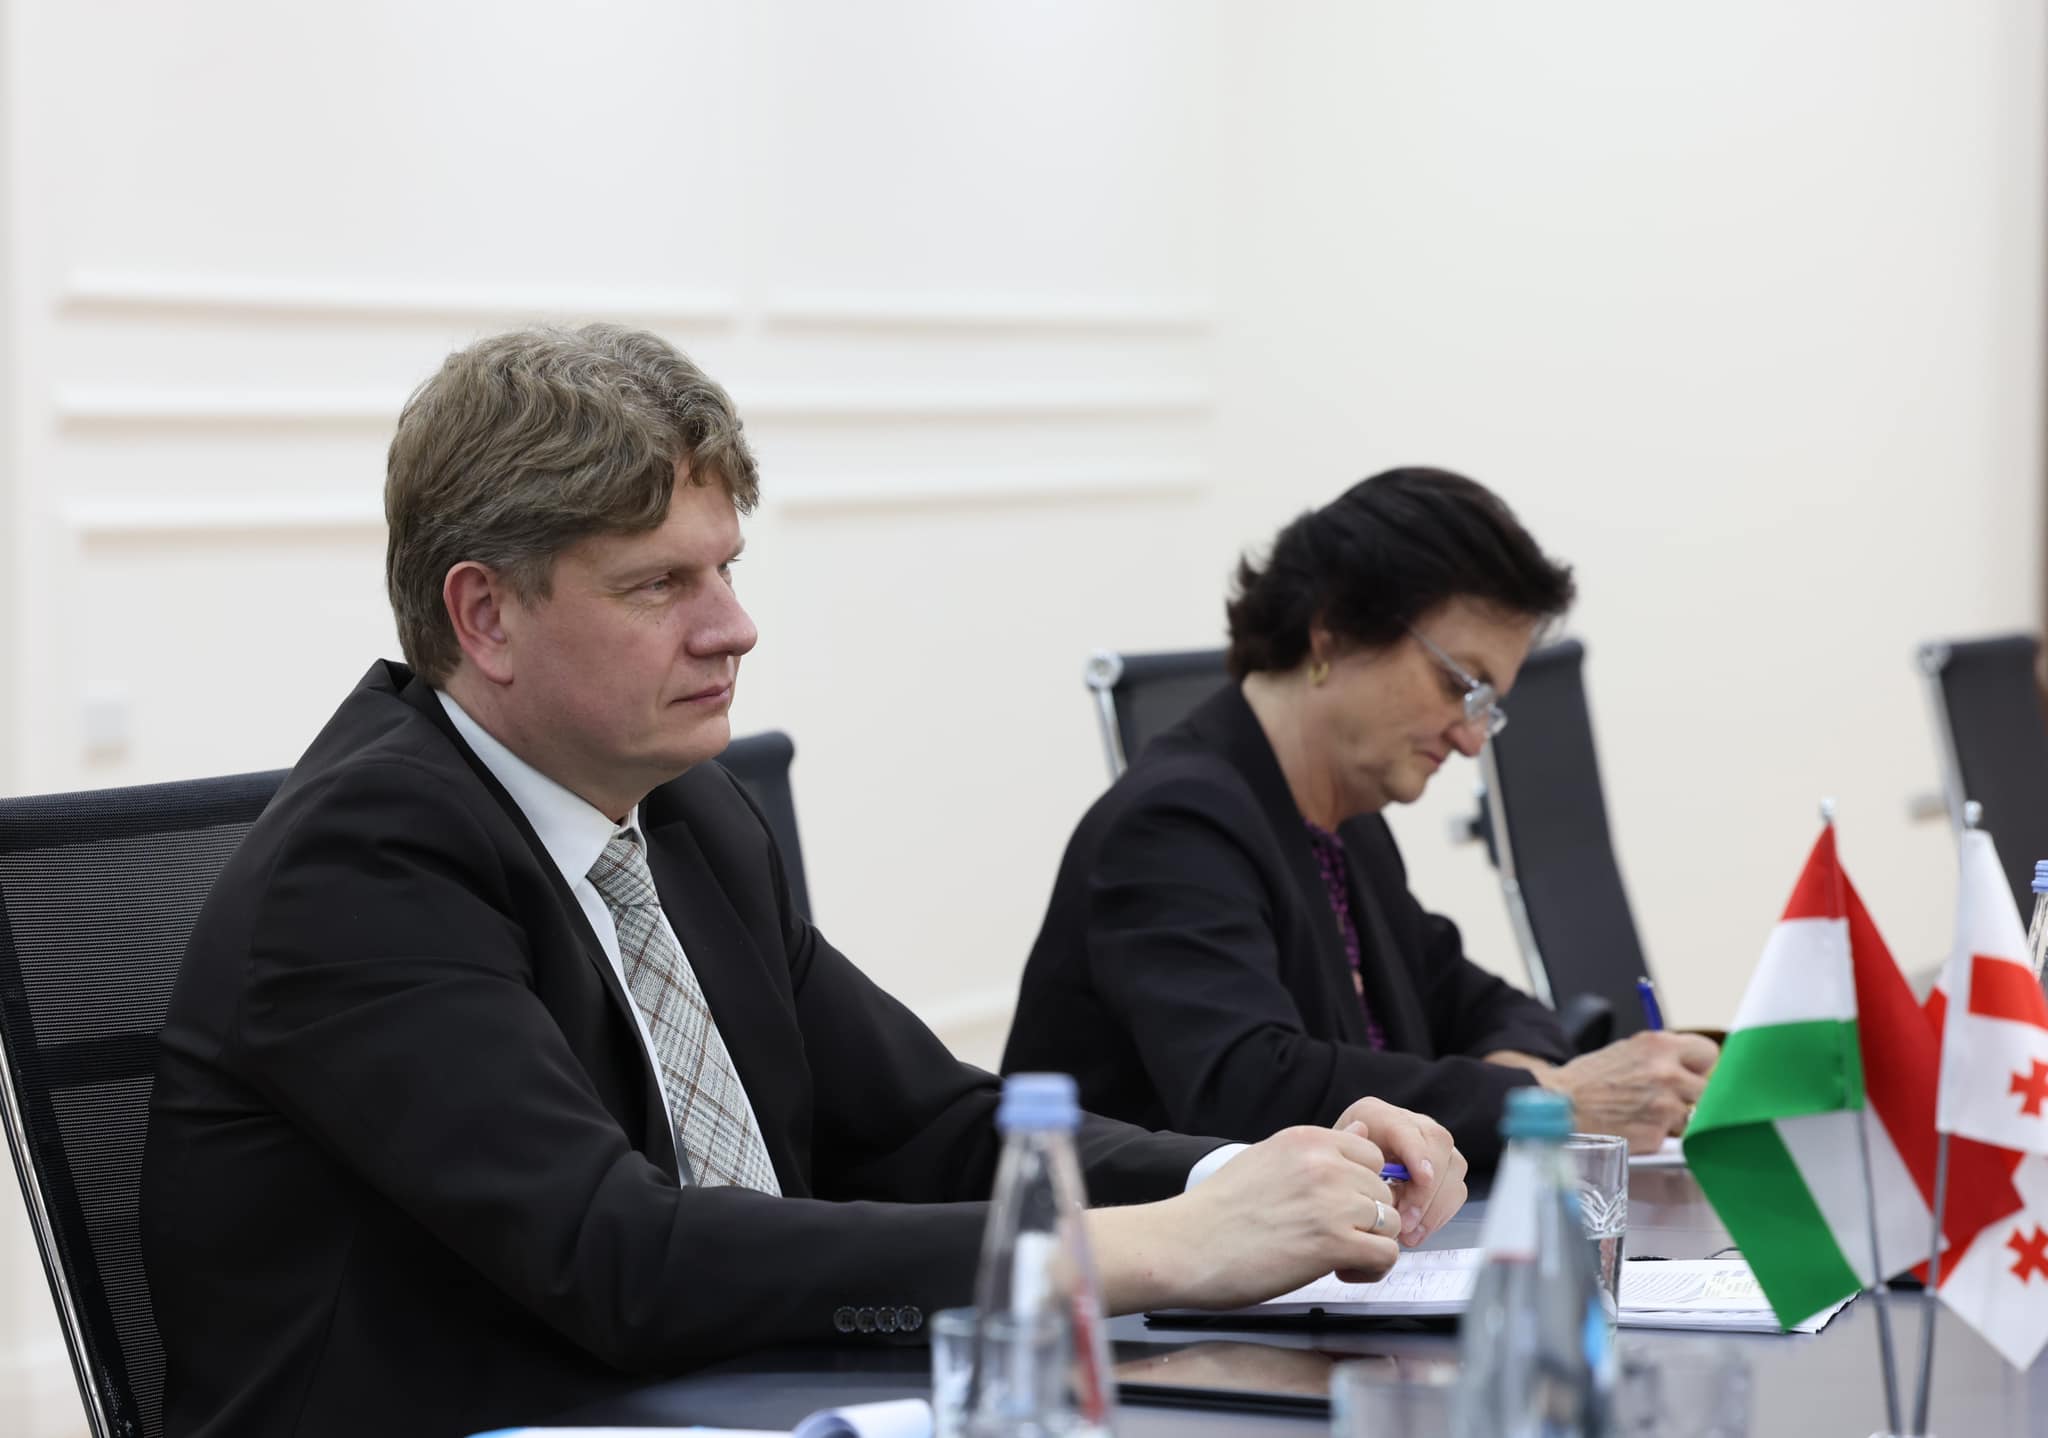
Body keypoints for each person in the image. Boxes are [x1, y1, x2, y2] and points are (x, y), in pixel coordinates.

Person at [138, 328, 1467, 1438]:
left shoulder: (687, 814)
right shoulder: (364, 861)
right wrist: (1161, 1245)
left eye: (725, 566)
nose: (732, 626)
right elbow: (622, 1257)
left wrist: (1249, 1173)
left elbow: (931, 1127)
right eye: (659, 584)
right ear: (484, 615)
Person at [1001, 468, 1718, 1176]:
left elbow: (1480, 1002)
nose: (1472, 739)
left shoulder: (1344, 821)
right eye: (1459, 685)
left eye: (1487, 707)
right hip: (1116, 1247)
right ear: (1334, 631)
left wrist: (1526, 1074)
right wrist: (1548, 1100)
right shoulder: (1173, 825)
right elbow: (1253, 1090)